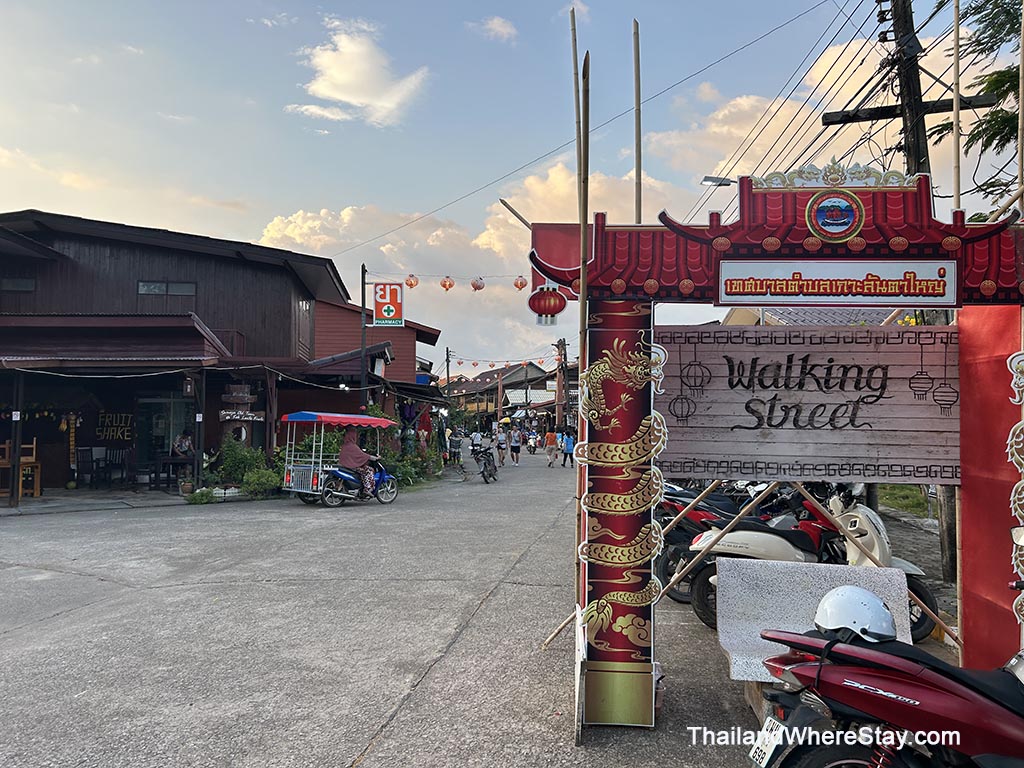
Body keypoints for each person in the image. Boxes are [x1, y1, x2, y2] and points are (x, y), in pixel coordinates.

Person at [337, 427, 378, 498]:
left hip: (345, 466)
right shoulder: (353, 446)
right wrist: (374, 458)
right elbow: (362, 455)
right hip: (352, 467)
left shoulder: (345, 445)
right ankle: (367, 489)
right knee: (368, 470)